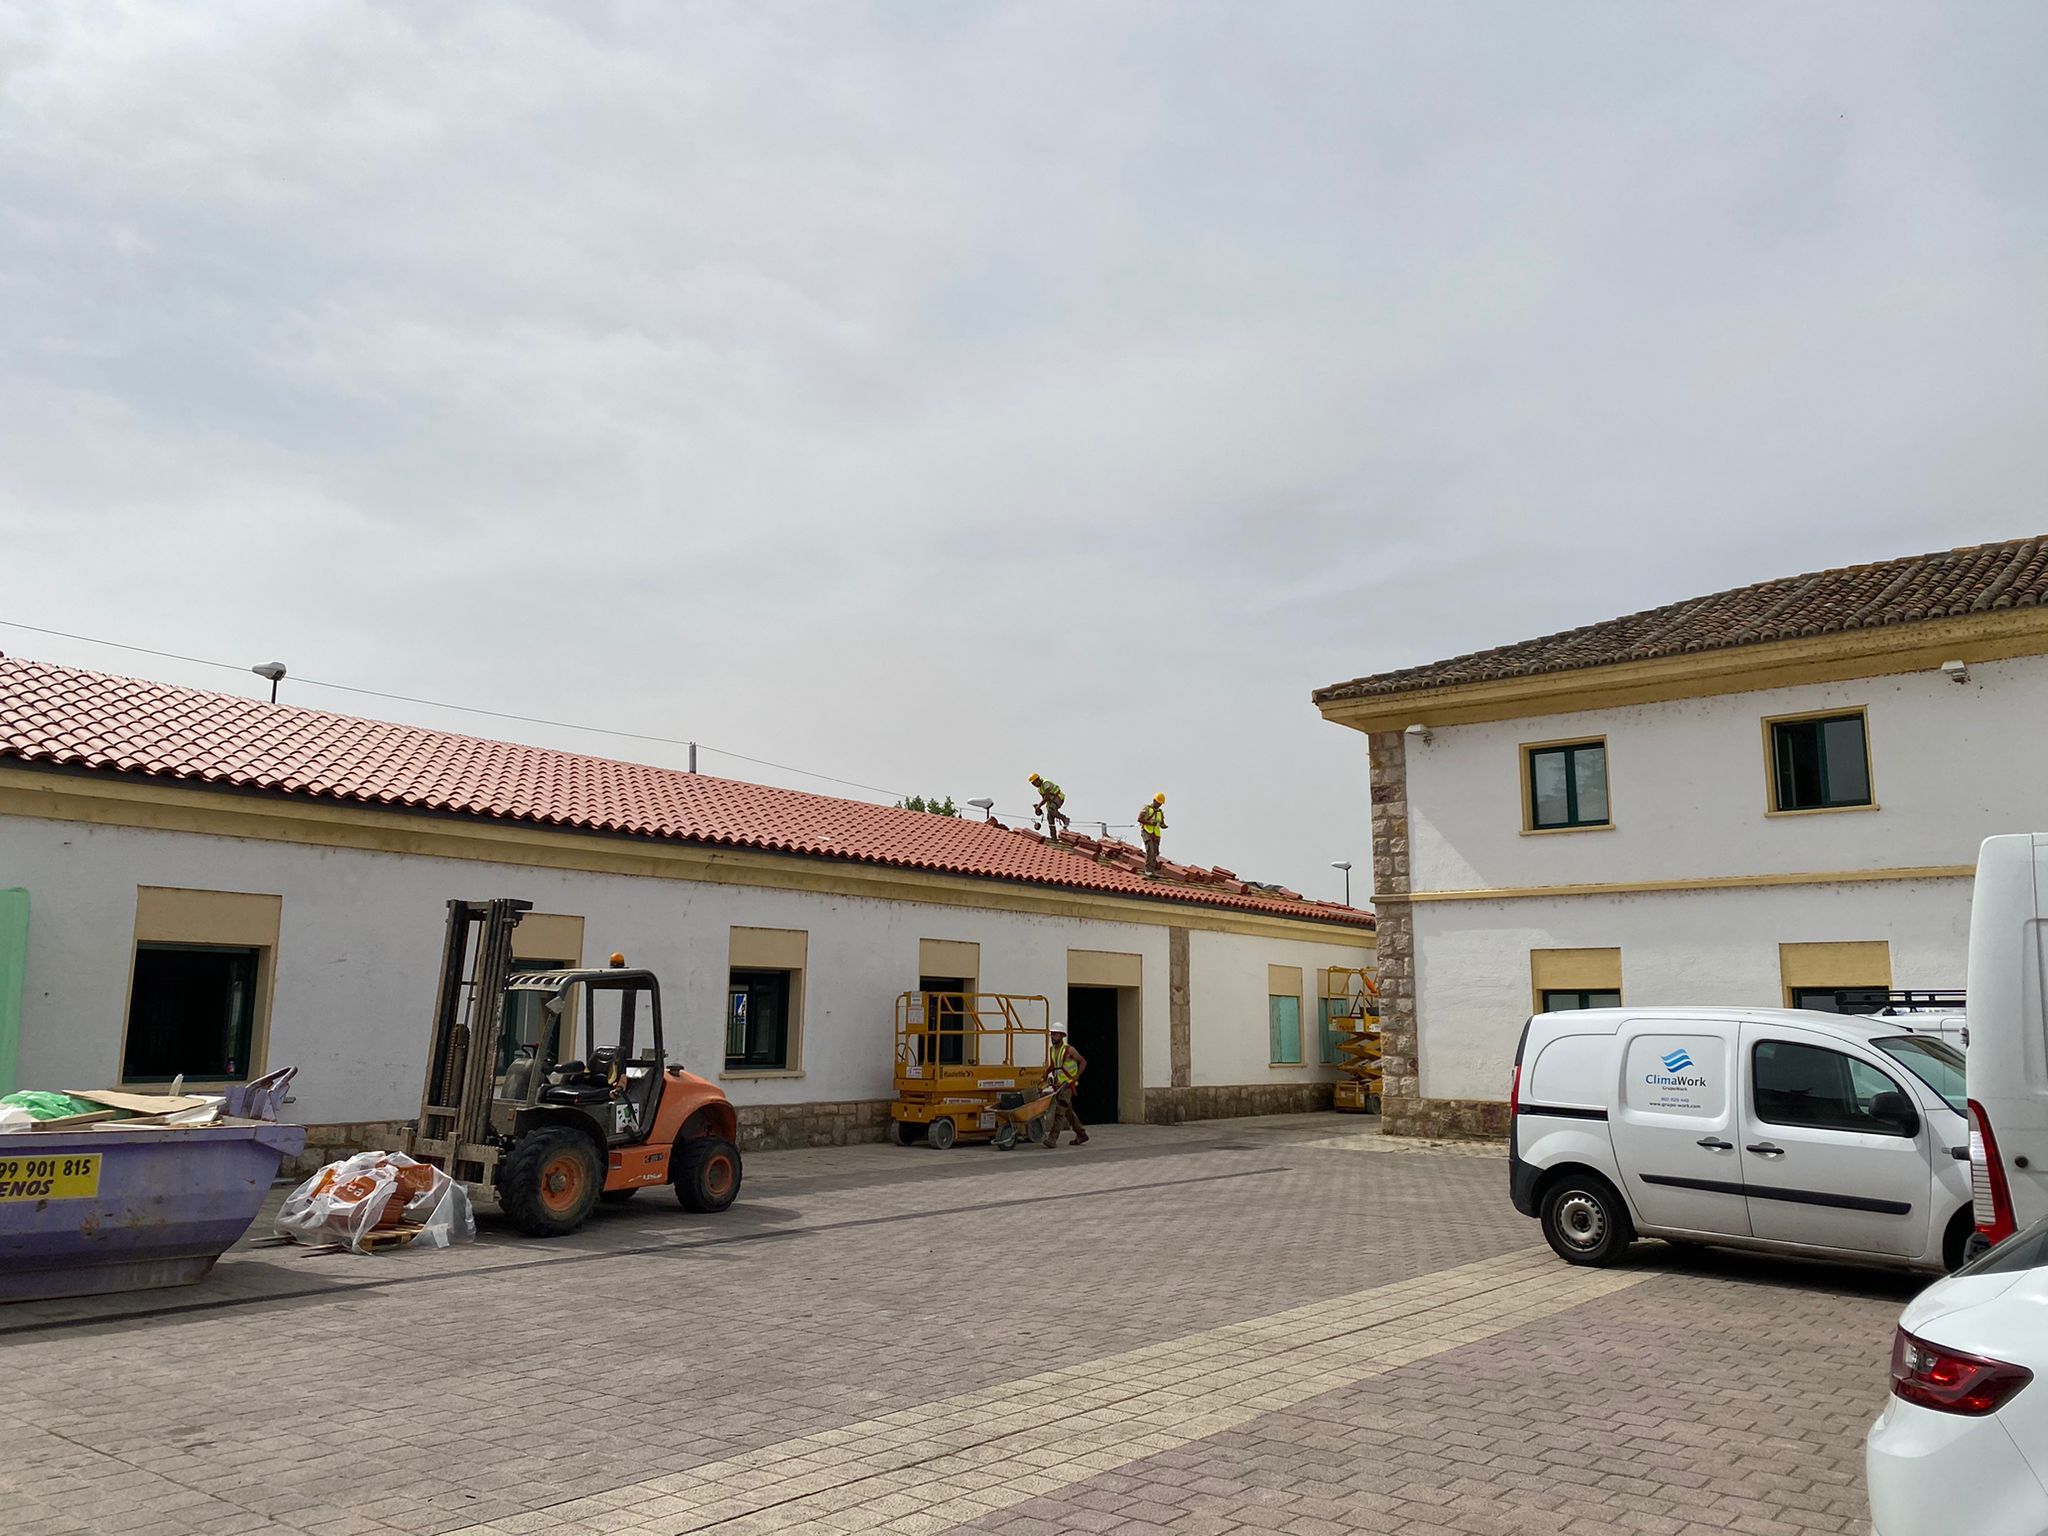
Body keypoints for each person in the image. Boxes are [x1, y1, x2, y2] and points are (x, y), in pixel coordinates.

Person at [1041, 1025, 1089, 1147]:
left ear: (1062, 1035)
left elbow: (1083, 1061)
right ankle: (1081, 1134)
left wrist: (1076, 1076)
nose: (1053, 1036)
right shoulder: (1052, 1049)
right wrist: (1046, 1073)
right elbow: (1054, 1065)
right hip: (1059, 1085)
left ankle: (1052, 1138)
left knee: (1060, 1111)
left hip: (1068, 1085)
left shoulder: (1069, 1050)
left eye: (1056, 1034)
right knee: (1068, 1112)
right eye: (1052, 1034)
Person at [1027, 772, 1071, 838]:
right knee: (1049, 817)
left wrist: (1039, 805)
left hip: (1058, 797)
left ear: (1038, 779)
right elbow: (1044, 799)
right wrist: (1038, 808)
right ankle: (1053, 837)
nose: (1034, 785)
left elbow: (1047, 796)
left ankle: (1064, 818)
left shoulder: (1045, 783)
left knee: (1051, 809)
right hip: (1051, 801)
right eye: (1033, 784)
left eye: (1034, 783)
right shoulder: (1040, 790)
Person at [1137, 792, 1167, 875]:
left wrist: (1163, 825)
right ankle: (1148, 870)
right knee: (1150, 850)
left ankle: (1153, 870)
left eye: (1160, 804)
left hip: (1156, 835)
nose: (1159, 805)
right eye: (1158, 803)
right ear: (1154, 800)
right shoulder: (1147, 809)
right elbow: (1139, 819)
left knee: (1155, 853)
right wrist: (1150, 823)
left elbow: (1161, 823)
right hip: (1147, 832)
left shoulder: (1160, 812)